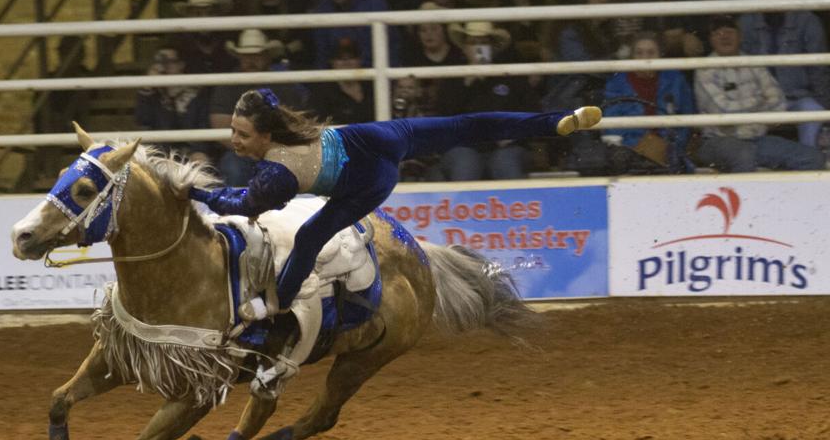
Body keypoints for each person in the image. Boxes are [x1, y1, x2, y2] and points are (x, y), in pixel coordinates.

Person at [189, 88, 602, 322]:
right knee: (466, 126)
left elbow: (243, 205)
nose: (235, 140)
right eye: (233, 131)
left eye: (242, 133)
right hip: (371, 139)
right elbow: (265, 97)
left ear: (264, 136)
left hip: (367, 181)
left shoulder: (278, 172)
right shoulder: (281, 128)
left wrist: (195, 192)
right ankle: (554, 122)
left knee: (310, 239)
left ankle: (273, 307)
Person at [693, 15, 824, 172]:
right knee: (743, 155)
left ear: (740, 36)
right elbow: (724, 112)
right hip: (718, 141)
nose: (725, 37)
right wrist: (759, 101)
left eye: (730, 31)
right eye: (718, 33)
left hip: (756, 139)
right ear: (710, 40)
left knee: (812, 158)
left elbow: (778, 101)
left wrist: (749, 108)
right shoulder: (705, 69)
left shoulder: (753, 63)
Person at [433, 21, 539, 180]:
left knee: (504, 161)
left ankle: (515, 204)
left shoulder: (510, 75)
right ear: (464, 47)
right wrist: (466, 84)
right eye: (473, 43)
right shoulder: (452, 79)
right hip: (464, 149)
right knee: (466, 162)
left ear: (493, 46)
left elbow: (533, 112)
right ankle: (465, 205)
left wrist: (515, 133)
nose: (478, 48)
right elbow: (441, 120)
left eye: (484, 42)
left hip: (506, 149)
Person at [210, 29, 307, 186]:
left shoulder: (283, 84)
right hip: (240, 152)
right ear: (239, 57)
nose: (251, 60)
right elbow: (219, 125)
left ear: (267, 56)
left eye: (257, 55)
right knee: (233, 167)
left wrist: (269, 149)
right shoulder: (228, 84)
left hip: (277, 148)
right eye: (246, 56)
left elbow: (294, 122)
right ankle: (238, 209)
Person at [738, 0, 830, 148]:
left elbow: (818, 71)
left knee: (813, 110)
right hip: (759, 100)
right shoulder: (746, 22)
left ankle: (810, 162)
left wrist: (826, 108)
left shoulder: (807, 20)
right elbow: (741, 68)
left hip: (798, 97)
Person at [601, 32, 695, 173]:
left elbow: (688, 118)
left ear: (660, 56)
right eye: (639, 53)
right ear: (632, 57)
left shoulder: (675, 79)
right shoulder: (616, 83)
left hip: (670, 155)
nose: (645, 58)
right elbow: (611, 127)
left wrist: (671, 147)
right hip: (630, 156)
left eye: (651, 53)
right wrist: (641, 148)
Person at [135, 42, 212, 163]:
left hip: (190, 151)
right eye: (159, 61)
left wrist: (199, 151)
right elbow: (142, 120)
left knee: (201, 163)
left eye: (169, 61)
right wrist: (147, 88)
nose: (164, 66)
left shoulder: (197, 93)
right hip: (160, 152)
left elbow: (203, 124)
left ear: (181, 64)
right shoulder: (151, 94)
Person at [307, 37, 375, 125]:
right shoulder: (321, 93)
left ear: (359, 61)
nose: (346, 62)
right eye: (340, 58)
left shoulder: (373, 87)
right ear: (332, 62)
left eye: (351, 57)